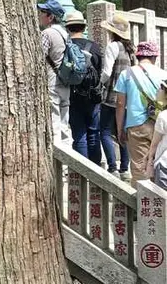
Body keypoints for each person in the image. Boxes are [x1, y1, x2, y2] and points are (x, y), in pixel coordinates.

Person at [115, 40, 167, 183]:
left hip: (136, 125)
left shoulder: (126, 74)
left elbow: (120, 104)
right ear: (154, 57)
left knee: (139, 167)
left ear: (137, 57)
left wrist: (119, 130)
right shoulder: (163, 74)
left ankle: (142, 201)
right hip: (161, 124)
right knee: (160, 163)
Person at [64, 10, 102, 164]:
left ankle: (83, 173)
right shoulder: (94, 47)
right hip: (93, 95)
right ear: (83, 27)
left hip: (73, 94)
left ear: (68, 28)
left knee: (79, 134)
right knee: (94, 133)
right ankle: (97, 171)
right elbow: (100, 70)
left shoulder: (67, 46)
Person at [99, 13, 134, 180]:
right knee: (123, 131)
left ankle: (112, 166)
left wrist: (99, 83)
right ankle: (125, 168)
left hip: (111, 94)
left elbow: (107, 71)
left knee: (104, 131)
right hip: (127, 97)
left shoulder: (113, 46)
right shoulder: (130, 50)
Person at [38, 0, 70, 142]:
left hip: (52, 80)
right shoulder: (65, 34)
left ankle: (56, 160)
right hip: (66, 80)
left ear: (50, 17)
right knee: (64, 123)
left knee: (54, 122)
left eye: (42, 12)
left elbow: (39, 57)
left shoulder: (47, 34)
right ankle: (67, 162)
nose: (40, 15)